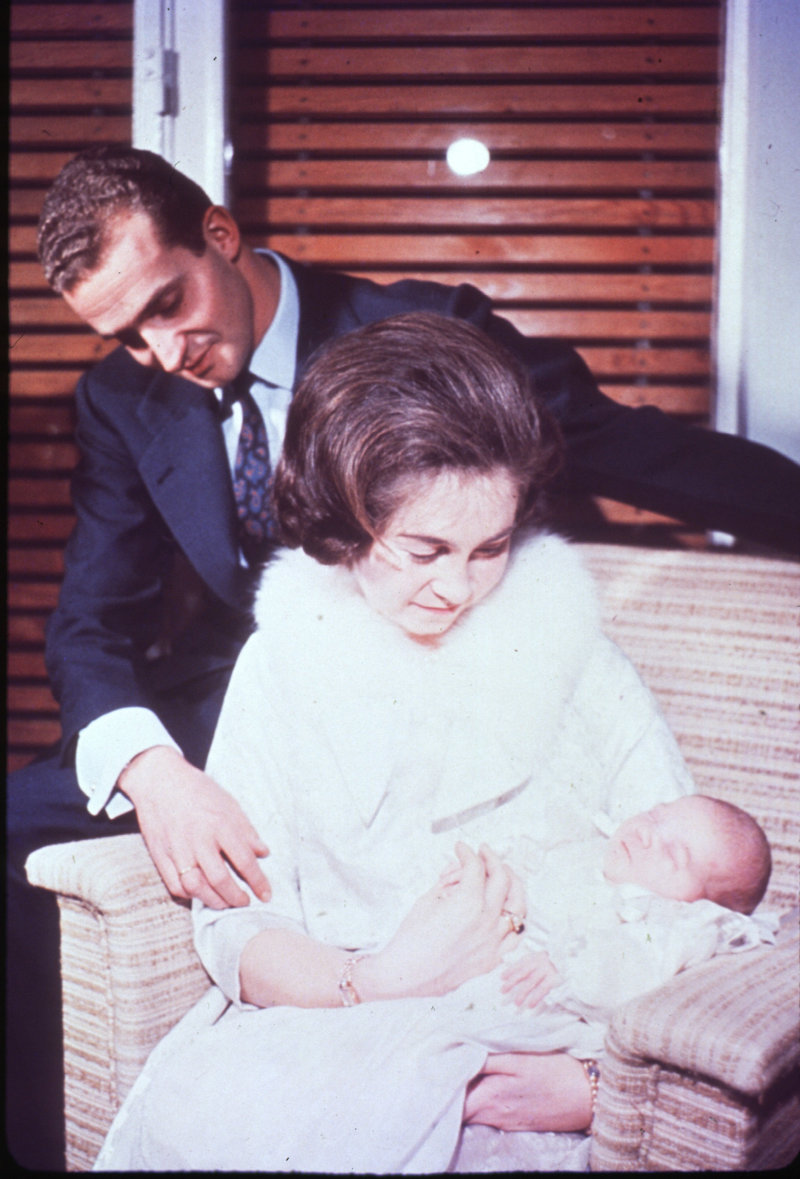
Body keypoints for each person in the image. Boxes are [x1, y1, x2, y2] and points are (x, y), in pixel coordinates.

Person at [6, 145, 800, 1169]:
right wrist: (152, 769)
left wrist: (599, 1080)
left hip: (472, 753)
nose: (160, 351)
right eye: (127, 334)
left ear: (219, 236)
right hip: (252, 683)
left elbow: (635, 449)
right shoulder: (132, 400)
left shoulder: (439, 349)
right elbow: (91, 619)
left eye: (167, 304)